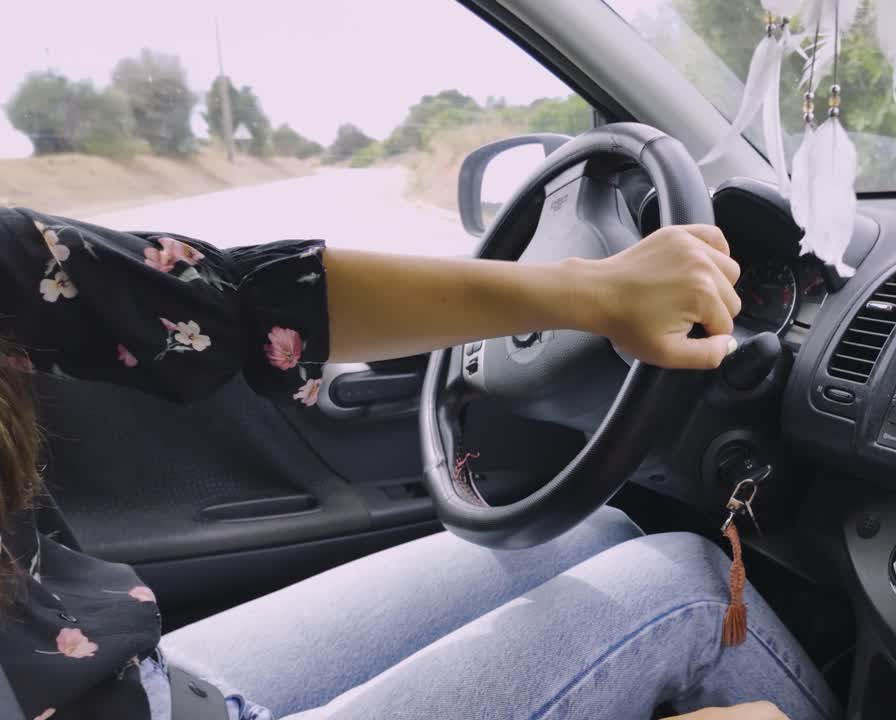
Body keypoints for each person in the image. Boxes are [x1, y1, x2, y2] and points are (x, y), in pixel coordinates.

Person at [0, 207, 840, 720]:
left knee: (588, 534)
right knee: (692, 589)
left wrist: (596, 291)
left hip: (130, 685)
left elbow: (228, 300)